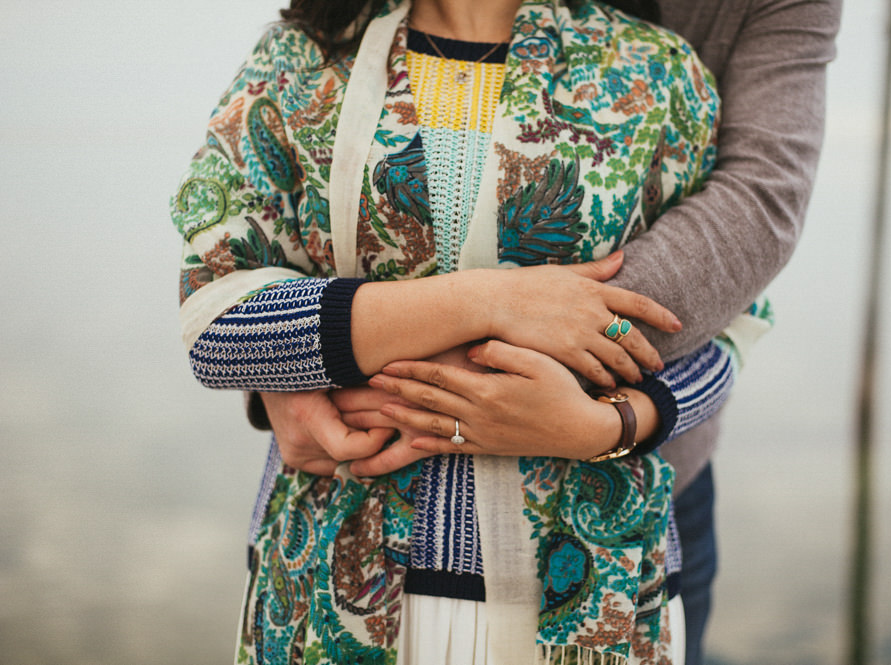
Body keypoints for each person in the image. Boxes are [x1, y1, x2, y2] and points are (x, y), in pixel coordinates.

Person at [170, 0, 824, 663]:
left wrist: (617, 423)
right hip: (331, 592)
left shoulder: (656, 74)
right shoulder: (297, 61)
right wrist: (485, 303)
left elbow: (731, 323)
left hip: (589, 596)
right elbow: (213, 315)